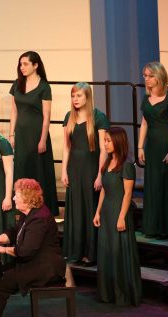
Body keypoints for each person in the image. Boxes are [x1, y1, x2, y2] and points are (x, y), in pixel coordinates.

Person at [0, 178, 65, 317]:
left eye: (16, 196)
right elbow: (14, 232)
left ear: (27, 199)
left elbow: (25, 252)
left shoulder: (39, 219)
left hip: (44, 268)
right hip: (33, 262)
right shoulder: (29, 213)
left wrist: (4, 249)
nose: (13, 198)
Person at [62, 82, 109, 265]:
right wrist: (64, 170)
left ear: (87, 97)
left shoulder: (98, 117)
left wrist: (100, 174)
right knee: (76, 210)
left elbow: (104, 150)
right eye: (73, 96)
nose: (75, 99)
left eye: (79, 96)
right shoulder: (69, 117)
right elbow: (67, 147)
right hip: (74, 168)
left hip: (91, 168)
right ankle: (76, 251)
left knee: (90, 207)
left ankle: (91, 252)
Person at [93, 127, 142, 305]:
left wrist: (121, 217)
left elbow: (128, 194)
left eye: (108, 140)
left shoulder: (127, 165)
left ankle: (123, 294)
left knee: (118, 251)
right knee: (106, 251)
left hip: (119, 211)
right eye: (104, 140)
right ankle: (108, 293)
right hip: (106, 212)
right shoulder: (106, 164)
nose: (105, 144)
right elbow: (103, 191)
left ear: (118, 141)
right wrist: (97, 212)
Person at [138, 61, 168, 238]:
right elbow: (144, 123)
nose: (147, 79)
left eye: (150, 76)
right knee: (154, 185)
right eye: (145, 76)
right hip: (152, 147)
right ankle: (154, 227)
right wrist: (140, 146)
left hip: (167, 145)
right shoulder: (146, 98)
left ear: (159, 76)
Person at [9, 51, 59, 216]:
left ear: (35, 65)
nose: (22, 67)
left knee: (39, 171)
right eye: (20, 64)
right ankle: (23, 209)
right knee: (22, 169)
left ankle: (41, 210)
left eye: (25, 64)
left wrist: (43, 139)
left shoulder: (44, 86)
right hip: (22, 136)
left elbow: (47, 116)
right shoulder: (17, 84)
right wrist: (11, 135)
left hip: (37, 135)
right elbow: (14, 112)